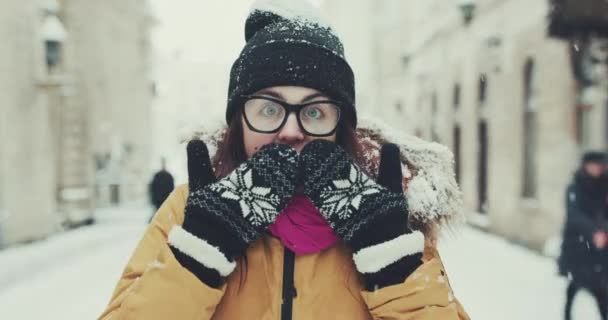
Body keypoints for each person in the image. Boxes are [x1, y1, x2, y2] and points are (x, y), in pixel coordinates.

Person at [99, 1, 469, 319]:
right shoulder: (187, 213)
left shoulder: (387, 218)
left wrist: (396, 271)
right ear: (238, 121)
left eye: (314, 112)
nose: (291, 131)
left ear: (341, 127)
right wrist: (196, 258)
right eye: (269, 108)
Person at [559, 151, 608, 320]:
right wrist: (593, 232)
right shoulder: (575, 187)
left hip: (599, 248)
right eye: (593, 165)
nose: (596, 169)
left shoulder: (604, 188)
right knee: (576, 283)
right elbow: (574, 215)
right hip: (579, 244)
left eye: (599, 165)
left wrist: (603, 232)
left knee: (600, 287)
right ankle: (567, 314)